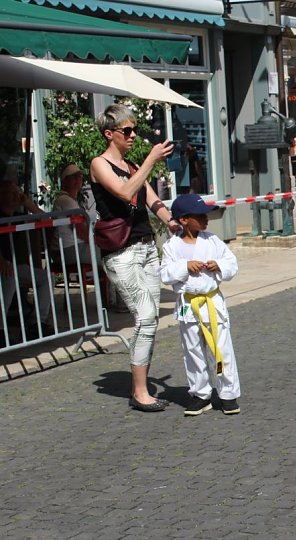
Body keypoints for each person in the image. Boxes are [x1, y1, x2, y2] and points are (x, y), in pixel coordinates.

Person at [89, 103, 179, 412]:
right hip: (121, 252)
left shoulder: (131, 166)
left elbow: (151, 199)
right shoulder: (99, 164)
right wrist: (150, 160)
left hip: (145, 248)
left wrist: (171, 220)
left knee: (151, 318)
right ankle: (139, 392)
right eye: (127, 131)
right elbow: (127, 193)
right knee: (144, 316)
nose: (133, 135)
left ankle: (140, 386)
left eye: (135, 130)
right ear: (109, 133)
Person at [160, 194, 241, 416]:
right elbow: (165, 274)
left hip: (212, 301)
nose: (206, 219)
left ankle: (228, 394)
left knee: (221, 348)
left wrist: (219, 265)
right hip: (188, 303)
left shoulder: (212, 240)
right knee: (193, 350)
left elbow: (232, 264)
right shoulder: (172, 246)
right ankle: (200, 393)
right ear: (184, 220)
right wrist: (185, 266)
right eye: (200, 215)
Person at [0, 180, 52, 341]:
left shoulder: (16, 216)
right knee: (10, 279)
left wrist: (27, 202)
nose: (17, 197)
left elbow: (44, 220)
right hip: (4, 265)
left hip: (12, 265)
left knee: (44, 278)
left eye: (18, 193)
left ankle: (37, 323)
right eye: (13, 194)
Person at [50, 164, 95, 263]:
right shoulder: (66, 200)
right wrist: (93, 240)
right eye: (74, 177)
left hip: (66, 249)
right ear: (65, 181)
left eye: (80, 177)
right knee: (107, 254)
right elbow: (80, 229)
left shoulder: (66, 200)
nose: (78, 180)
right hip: (69, 249)